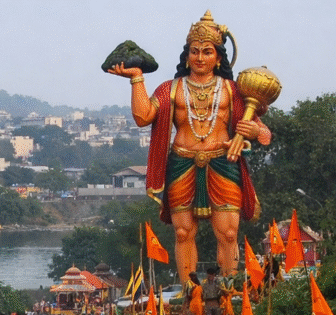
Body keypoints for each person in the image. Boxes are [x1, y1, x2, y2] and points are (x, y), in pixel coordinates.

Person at [109, 11, 271, 284]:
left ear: (218, 58)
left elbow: (264, 133)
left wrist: (253, 131)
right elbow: (143, 117)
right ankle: (189, 292)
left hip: (223, 162)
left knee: (228, 233)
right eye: (194, 51)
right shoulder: (170, 89)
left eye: (207, 52)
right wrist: (137, 78)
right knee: (183, 233)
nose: (199, 57)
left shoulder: (232, 90)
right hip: (182, 162)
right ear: (186, 56)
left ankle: (228, 291)